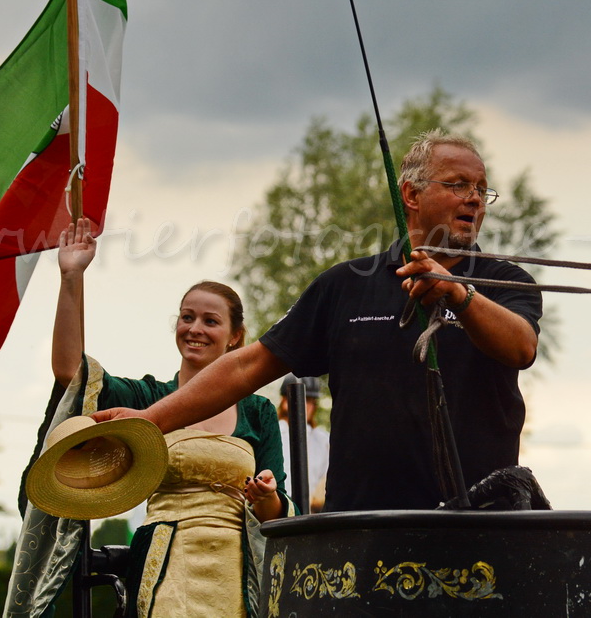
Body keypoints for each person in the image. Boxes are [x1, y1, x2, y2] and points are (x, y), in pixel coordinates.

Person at [95, 129, 543, 512]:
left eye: (481, 189)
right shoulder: (345, 285)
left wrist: (459, 294)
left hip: (481, 525)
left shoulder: (507, 283)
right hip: (362, 528)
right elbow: (249, 366)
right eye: (459, 185)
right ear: (411, 195)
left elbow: (521, 347)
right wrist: (150, 420)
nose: (474, 199)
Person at [51, 218, 290, 617]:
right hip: (163, 569)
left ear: (235, 336)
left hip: (240, 574)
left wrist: (267, 497)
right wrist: (71, 276)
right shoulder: (148, 399)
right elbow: (69, 373)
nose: (195, 329)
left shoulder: (258, 412)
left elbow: (276, 513)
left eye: (210, 321)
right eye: (186, 317)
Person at [277, 374, 331, 512]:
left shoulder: (323, 440)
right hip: (280, 508)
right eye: (303, 399)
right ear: (285, 401)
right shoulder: (274, 432)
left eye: (310, 401)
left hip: (312, 512)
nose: (305, 405)